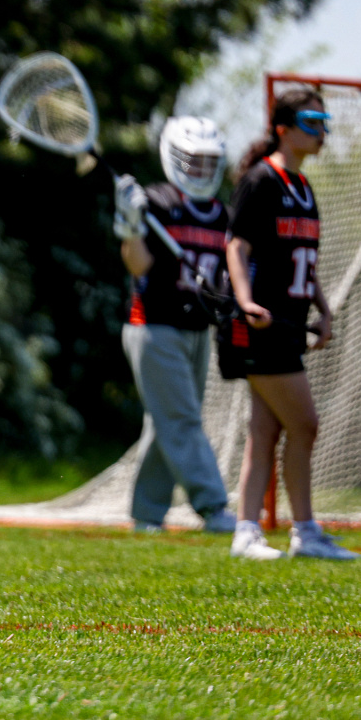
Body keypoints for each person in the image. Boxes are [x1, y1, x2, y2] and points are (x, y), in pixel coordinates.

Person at [221, 89, 358, 562]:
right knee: (305, 425)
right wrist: (245, 301)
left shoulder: (303, 188)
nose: (321, 132)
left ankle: (247, 533)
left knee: (266, 433)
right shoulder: (261, 181)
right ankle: (305, 532)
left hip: (289, 326)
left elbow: (304, 261)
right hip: (261, 328)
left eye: (324, 122)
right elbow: (236, 247)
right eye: (311, 122)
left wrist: (324, 309)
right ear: (283, 128)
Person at [113, 117, 238, 535]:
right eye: (192, 160)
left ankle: (147, 515)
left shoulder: (221, 215)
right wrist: (130, 226)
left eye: (208, 161)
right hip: (154, 326)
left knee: (166, 420)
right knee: (182, 420)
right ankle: (213, 506)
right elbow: (138, 266)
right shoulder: (156, 203)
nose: (201, 169)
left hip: (196, 330)